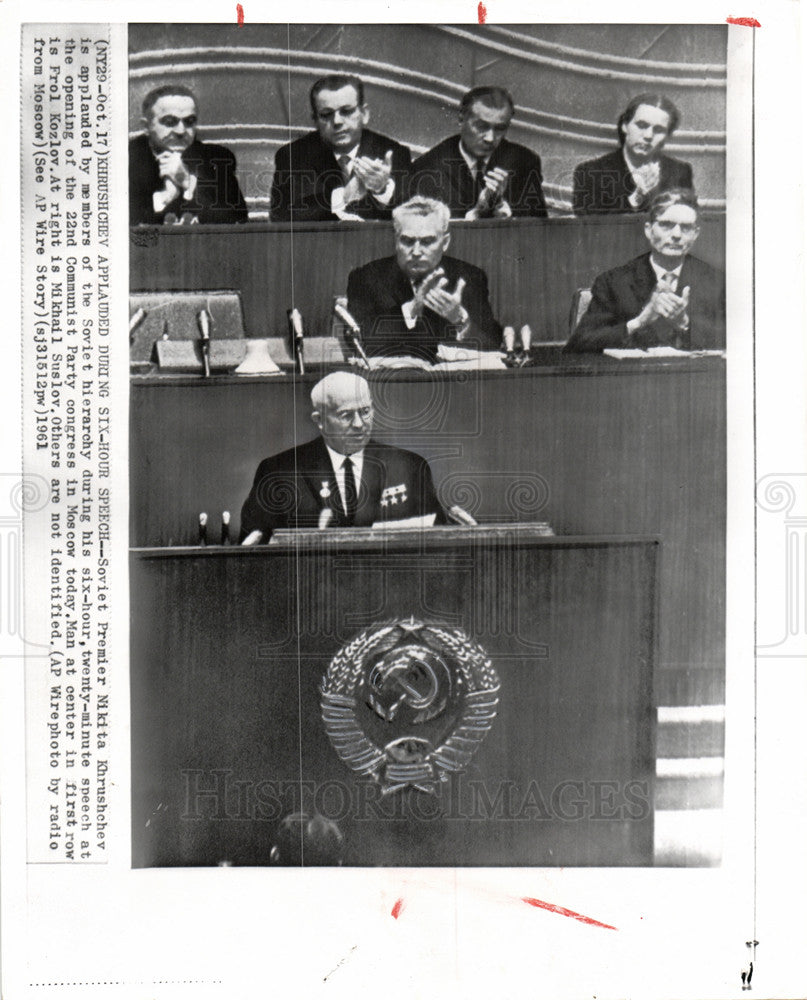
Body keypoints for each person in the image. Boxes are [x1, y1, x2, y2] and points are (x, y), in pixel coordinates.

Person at [240, 372, 446, 541]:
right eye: (346, 415)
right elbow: (252, 550)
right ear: (319, 420)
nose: (359, 424)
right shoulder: (278, 473)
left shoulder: (409, 467)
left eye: (365, 411)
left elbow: (438, 540)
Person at [564, 188, 725, 353]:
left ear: (696, 234)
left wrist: (684, 323)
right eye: (666, 225)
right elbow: (577, 346)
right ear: (649, 230)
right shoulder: (614, 282)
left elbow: (739, 344)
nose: (676, 235)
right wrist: (639, 322)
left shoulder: (718, 282)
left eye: (686, 228)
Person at [345, 197, 502, 362]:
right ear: (396, 240)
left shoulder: (469, 277)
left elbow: (493, 342)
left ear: (445, 242)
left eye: (427, 242)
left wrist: (460, 319)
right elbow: (359, 342)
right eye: (407, 241)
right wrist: (411, 309)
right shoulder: (366, 278)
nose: (417, 251)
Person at [269, 74, 412, 222]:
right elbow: (282, 218)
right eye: (326, 114)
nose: (337, 121)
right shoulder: (293, 155)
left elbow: (411, 217)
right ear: (316, 121)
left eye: (347, 111)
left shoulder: (393, 153)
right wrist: (344, 197)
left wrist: (382, 190)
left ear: (364, 114)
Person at [410, 86, 547, 219]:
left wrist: (505, 214)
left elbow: (538, 231)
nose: (490, 138)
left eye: (500, 128)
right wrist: (477, 215)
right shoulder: (427, 166)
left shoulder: (525, 162)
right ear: (461, 119)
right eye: (482, 126)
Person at [129, 84, 248, 225]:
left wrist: (186, 181)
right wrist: (164, 199)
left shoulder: (216, 158)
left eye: (189, 122)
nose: (181, 130)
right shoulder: (125, 159)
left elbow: (237, 223)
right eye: (169, 122)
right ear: (146, 127)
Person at [573, 94, 693, 216]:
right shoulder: (591, 172)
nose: (648, 136)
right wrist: (637, 197)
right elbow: (590, 227)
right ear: (625, 125)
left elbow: (686, 220)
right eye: (641, 125)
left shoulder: (679, 172)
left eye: (658, 130)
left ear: (667, 136)